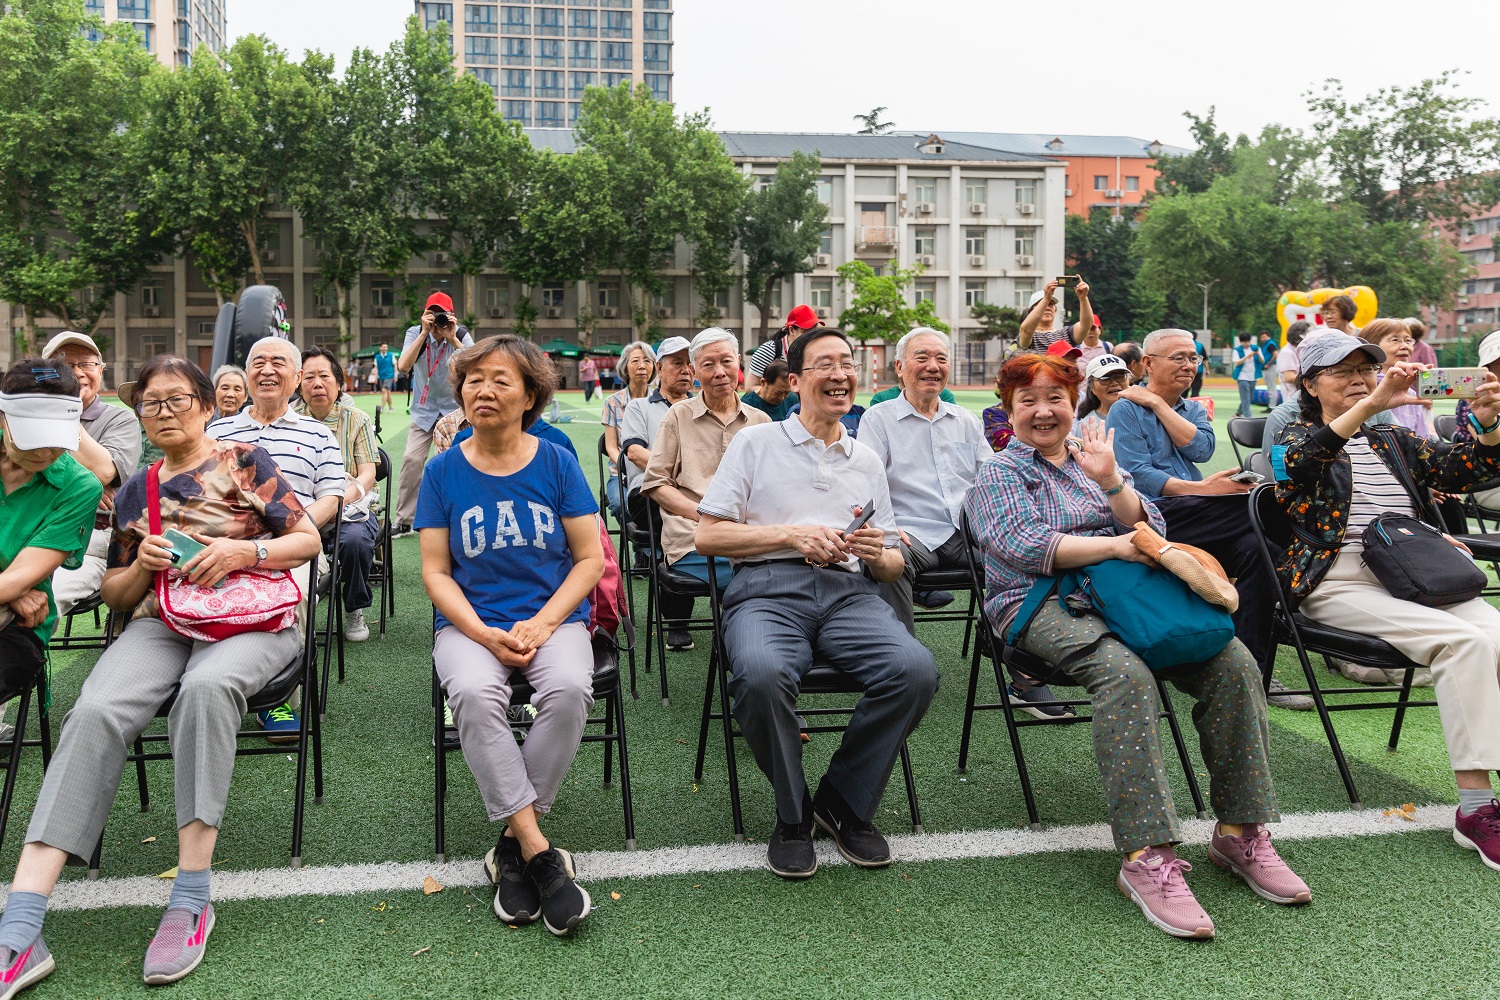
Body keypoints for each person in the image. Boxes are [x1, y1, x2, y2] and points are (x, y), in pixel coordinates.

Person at [0, 353, 320, 991]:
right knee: (93, 709)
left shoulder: (245, 463)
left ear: (206, 406)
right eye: (152, 403)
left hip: (253, 619)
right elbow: (118, 596)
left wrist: (243, 550)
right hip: (163, 621)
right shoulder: (137, 490)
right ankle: (23, 916)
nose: (165, 412)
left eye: (178, 400)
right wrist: (143, 565)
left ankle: (191, 896)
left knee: (206, 688)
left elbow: (307, 538)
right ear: (139, 416)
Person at [965, 350, 1307, 940]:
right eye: (1029, 401)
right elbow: (1023, 546)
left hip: (1125, 593)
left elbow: (1153, 525)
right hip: (1036, 602)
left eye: (1056, 399)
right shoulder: (999, 471)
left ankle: (1239, 832)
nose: (1044, 412)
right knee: (1125, 675)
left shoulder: (1089, 456)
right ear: (1009, 409)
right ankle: (1146, 856)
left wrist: (1111, 481)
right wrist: (1115, 547)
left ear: (1074, 404)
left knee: (1233, 660)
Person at [695, 327, 939, 880]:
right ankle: (792, 812)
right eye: (824, 364)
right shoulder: (756, 444)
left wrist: (880, 552)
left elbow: (894, 565)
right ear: (798, 379)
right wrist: (791, 536)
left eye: (847, 363)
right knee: (760, 673)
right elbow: (709, 537)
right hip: (766, 592)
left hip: (849, 594)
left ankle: (842, 800)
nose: (839, 374)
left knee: (915, 670)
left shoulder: (866, 459)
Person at [1275, 331, 1500, 873]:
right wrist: (1372, 406)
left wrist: (1490, 427)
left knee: (1495, 633)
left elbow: (1462, 471)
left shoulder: (1391, 439)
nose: (1359, 379)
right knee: (1463, 641)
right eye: (1342, 371)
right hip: (1337, 582)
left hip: (1411, 572)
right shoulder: (1291, 438)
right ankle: (1475, 809)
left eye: (1366, 370)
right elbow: (1300, 466)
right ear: (1309, 384)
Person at [417, 335, 603, 935]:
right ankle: (540, 853)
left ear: (530, 396)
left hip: (553, 619)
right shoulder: (443, 470)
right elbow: (435, 572)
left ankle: (509, 845)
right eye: (474, 379)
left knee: (572, 687)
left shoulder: (556, 461)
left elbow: (589, 560)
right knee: (473, 695)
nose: (483, 390)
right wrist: (483, 632)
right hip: (471, 626)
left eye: (500, 380)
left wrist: (546, 621)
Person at [1107, 329, 1302, 707]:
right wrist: (1202, 490)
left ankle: (1248, 671)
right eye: (1178, 357)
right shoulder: (1125, 407)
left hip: (1200, 514)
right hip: (1149, 517)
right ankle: (1300, 531)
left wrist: (1161, 405)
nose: (1189, 365)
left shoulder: (1193, 408)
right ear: (1148, 363)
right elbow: (1135, 474)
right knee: (1264, 506)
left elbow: (1202, 448)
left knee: (1263, 551)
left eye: (1193, 358)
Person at [207, 337, 346, 741]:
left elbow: (332, 498)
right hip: (225, 542)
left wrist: (290, 530)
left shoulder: (319, 435)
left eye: (279, 363)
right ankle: (216, 683)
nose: (267, 370)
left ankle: (279, 699)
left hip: (291, 547)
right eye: (258, 362)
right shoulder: (219, 430)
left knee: (296, 596)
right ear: (247, 374)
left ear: (297, 377)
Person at [0, 359, 103, 761]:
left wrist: (12, 592)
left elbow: (20, 577)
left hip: (15, 631)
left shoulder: (78, 486)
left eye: (56, 436)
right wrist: (10, 592)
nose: (45, 449)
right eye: (32, 436)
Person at [859, 327, 995, 632]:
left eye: (941, 359)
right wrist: (886, 526)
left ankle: (1012, 654)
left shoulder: (966, 420)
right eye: (922, 357)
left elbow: (990, 479)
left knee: (1019, 551)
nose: (933, 366)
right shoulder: (879, 419)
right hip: (911, 531)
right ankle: (900, 653)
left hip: (966, 531)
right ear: (899, 367)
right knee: (887, 557)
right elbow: (867, 483)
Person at [641, 328, 769, 651]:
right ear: (695, 371)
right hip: (693, 536)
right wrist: (704, 516)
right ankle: (743, 645)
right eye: (708, 365)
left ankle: (748, 643)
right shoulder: (678, 416)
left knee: (774, 569)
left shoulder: (761, 421)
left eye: (727, 361)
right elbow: (656, 482)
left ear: (739, 363)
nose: (720, 372)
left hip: (750, 537)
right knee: (761, 578)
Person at [42, 332, 142, 617]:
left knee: (46, 597)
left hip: (89, 539)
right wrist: (91, 488)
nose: (76, 372)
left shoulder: (119, 418)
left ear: (100, 370)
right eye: (64, 364)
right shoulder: (22, 416)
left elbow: (105, 470)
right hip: (26, 530)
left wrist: (67, 410)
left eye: (85, 364)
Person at [291, 347, 380, 643]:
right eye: (309, 377)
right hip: (303, 508)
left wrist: (344, 496)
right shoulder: (289, 420)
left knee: (355, 541)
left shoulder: (357, 419)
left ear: (339, 383)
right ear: (298, 383)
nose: (317, 383)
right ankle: (292, 606)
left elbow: (368, 473)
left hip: (350, 506)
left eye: (324, 376)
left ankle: (353, 605)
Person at [393, 293, 474, 536]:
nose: (437, 319)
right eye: (433, 313)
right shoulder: (414, 332)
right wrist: (422, 333)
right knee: (412, 460)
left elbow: (475, 365)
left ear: (451, 314)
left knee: (456, 463)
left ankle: (457, 514)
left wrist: (453, 338)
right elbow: (404, 366)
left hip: (453, 413)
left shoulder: (460, 333)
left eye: (442, 314)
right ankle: (405, 520)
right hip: (423, 411)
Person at [618, 337, 693, 501]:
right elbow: (635, 453)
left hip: (694, 490)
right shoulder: (638, 407)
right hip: (647, 490)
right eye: (677, 363)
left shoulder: (702, 408)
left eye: (690, 363)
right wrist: (683, 473)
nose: (686, 370)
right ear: (659, 368)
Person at [1363, 318, 1434, 439]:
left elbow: (1422, 440)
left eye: (1408, 341)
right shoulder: (1362, 388)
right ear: (1372, 347)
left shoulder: (1411, 395)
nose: (1405, 346)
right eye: (1395, 340)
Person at [745, 303, 820, 390]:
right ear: (791, 330)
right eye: (805, 332)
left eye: (814, 331)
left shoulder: (815, 352)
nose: (811, 336)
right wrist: (781, 394)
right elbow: (750, 387)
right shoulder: (769, 351)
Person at [1017, 278, 1092, 353]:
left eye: (1051, 304)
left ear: (1055, 310)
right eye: (1041, 305)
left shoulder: (1067, 333)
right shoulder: (1030, 336)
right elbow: (1026, 330)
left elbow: (1086, 325)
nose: (1047, 308)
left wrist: (1083, 298)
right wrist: (1046, 299)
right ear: (1031, 312)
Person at [1075, 353, 1133, 436]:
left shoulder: (1143, 414)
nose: (1114, 383)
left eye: (1120, 376)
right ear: (1092, 388)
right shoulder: (1087, 427)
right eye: (1105, 378)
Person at [1278, 321, 1310, 405]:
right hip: (1294, 400)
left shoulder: (1300, 350)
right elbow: (1288, 377)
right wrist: (1313, 377)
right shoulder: (1287, 352)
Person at [1232, 332, 1261, 418]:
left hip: (1253, 376)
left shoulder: (1256, 348)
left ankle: (1239, 412)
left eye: (1248, 341)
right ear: (1241, 342)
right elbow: (1236, 363)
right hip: (1242, 376)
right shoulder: (1237, 350)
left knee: (1249, 397)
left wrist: (1258, 355)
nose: (1247, 344)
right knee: (1245, 397)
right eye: (1245, 342)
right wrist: (1246, 357)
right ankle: (1248, 416)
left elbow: (1262, 361)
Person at [1258, 332, 1281, 409]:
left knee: (1271, 386)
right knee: (1270, 386)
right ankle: (1271, 405)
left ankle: (1272, 406)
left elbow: (1275, 354)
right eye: (1261, 337)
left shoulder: (1270, 344)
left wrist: (1269, 364)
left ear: (1268, 336)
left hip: (1270, 367)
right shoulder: (1267, 344)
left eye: (1264, 336)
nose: (1263, 338)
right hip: (1267, 367)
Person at [374, 342, 397, 413]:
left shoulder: (391, 355)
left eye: (386, 347)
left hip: (389, 375)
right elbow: (376, 367)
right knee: (387, 392)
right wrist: (375, 377)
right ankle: (391, 408)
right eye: (383, 347)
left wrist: (395, 375)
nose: (385, 348)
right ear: (380, 348)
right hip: (381, 376)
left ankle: (381, 407)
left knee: (384, 390)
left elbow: (395, 365)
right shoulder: (377, 357)